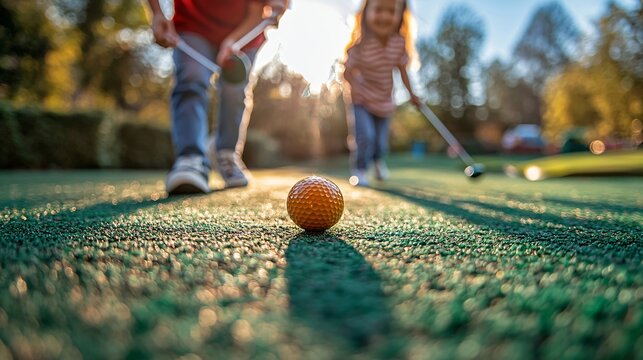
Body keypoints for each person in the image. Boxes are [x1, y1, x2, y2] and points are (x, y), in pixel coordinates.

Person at [146, 0, 287, 195]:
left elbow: (258, 11)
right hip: (192, 24)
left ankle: (227, 153)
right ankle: (191, 158)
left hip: (244, 28)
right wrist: (157, 13)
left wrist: (232, 41)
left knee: (234, 90)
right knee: (191, 79)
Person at [342, 0, 420, 187]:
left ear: (400, 15)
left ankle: (378, 163)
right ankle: (359, 170)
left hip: (384, 100)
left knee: (380, 143)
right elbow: (346, 72)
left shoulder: (398, 42)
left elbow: (402, 71)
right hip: (361, 99)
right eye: (378, 10)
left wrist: (412, 94)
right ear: (366, 12)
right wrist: (356, 87)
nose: (385, 16)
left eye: (391, 11)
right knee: (365, 136)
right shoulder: (359, 44)